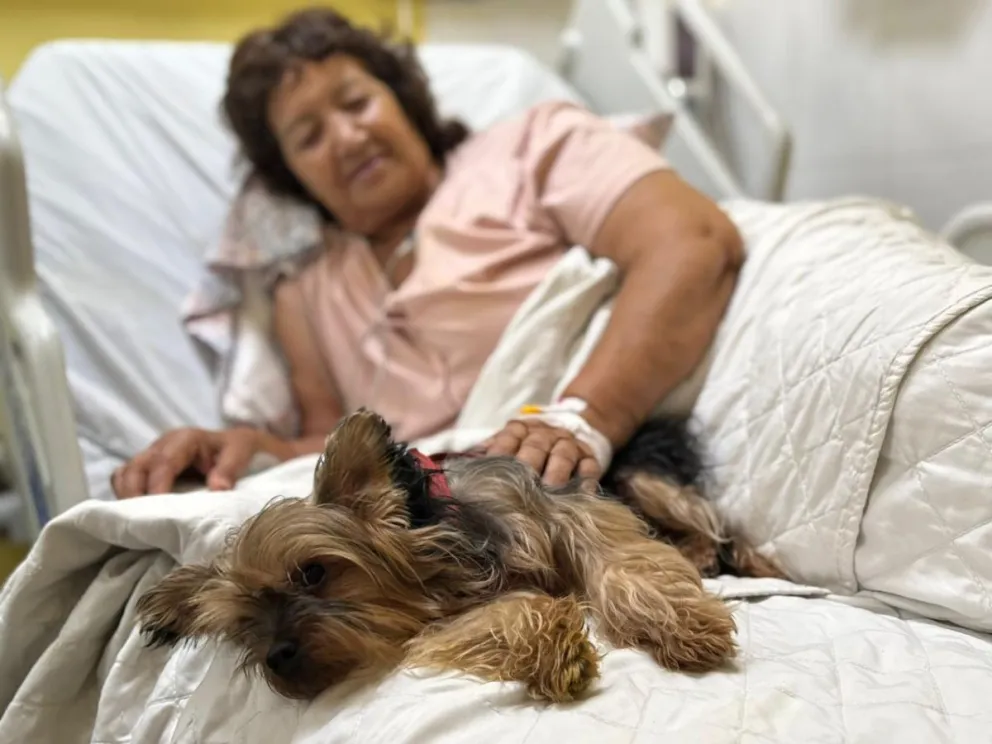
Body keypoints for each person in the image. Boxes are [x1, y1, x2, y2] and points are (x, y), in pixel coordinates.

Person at [111, 7, 743, 499]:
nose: (347, 136)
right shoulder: (304, 291)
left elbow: (693, 241)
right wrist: (243, 449)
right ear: (290, 177)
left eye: (358, 102)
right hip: (446, 509)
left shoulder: (530, 146)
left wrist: (586, 417)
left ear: (403, 99)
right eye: (308, 137)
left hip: (612, 449)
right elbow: (329, 450)